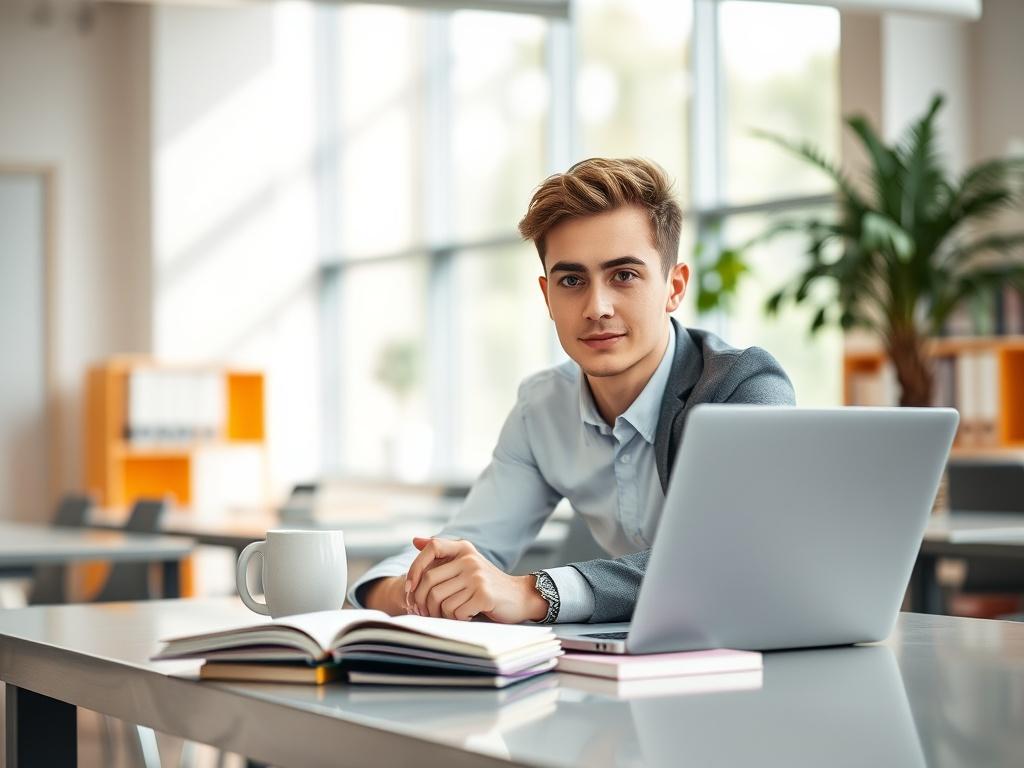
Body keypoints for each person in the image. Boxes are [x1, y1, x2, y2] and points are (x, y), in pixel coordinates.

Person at [348, 157, 795, 624]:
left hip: (768, 656)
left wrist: (534, 593)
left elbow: (733, 559)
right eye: (571, 280)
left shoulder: (744, 387)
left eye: (623, 275)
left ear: (674, 287)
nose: (596, 307)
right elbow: (472, 541)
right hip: (629, 662)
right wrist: (413, 588)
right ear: (547, 296)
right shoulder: (542, 408)